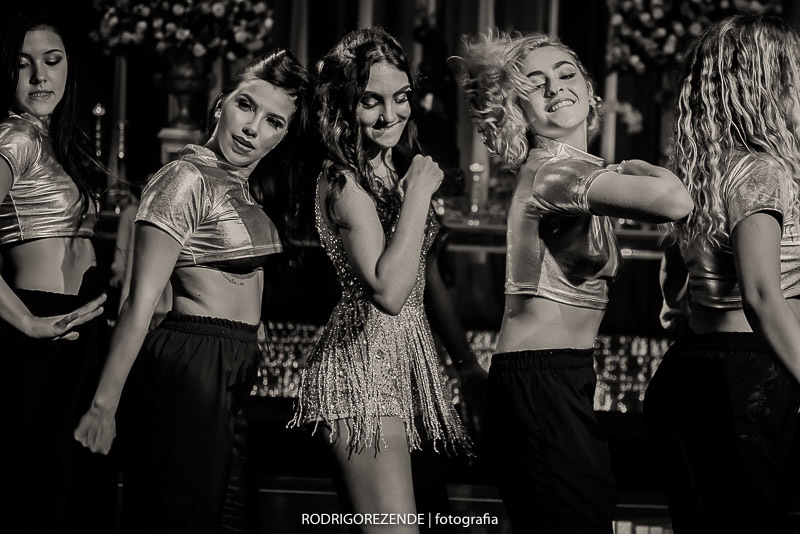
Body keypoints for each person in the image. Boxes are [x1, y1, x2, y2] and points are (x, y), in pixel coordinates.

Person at [453, 31, 692, 532]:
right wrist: (649, 170)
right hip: (538, 379)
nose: (555, 88)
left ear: (590, 89)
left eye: (566, 74)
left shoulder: (580, 172)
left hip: (563, 374)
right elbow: (675, 202)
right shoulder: (553, 174)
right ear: (518, 108)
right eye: (535, 83)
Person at [73, 49, 311, 532]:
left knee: (221, 516)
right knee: (179, 516)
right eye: (246, 106)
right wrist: (104, 405)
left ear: (284, 135)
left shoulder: (241, 186)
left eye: (273, 122)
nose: (252, 129)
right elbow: (140, 303)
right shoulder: (185, 178)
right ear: (221, 104)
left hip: (225, 367)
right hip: (192, 361)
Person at [289, 27, 472, 530]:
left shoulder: (395, 170)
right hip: (362, 376)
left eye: (401, 97)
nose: (391, 115)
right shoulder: (343, 181)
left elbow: (423, 277)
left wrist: (466, 363)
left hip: (412, 371)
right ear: (343, 105)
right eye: (371, 101)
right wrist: (419, 196)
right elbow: (389, 291)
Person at [645, 15, 800, 534]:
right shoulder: (761, 170)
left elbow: (673, 285)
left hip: (692, 368)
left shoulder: (702, 167)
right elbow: (761, 295)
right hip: (747, 378)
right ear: (768, 82)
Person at [0, 9, 114, 533]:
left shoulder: (54, 142)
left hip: (76, 331)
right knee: (38, 495)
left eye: (52, 61)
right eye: (24, 64)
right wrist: (26, 321)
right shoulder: (13, 138)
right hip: (37, 333)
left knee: (72, 493)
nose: (40, 76)